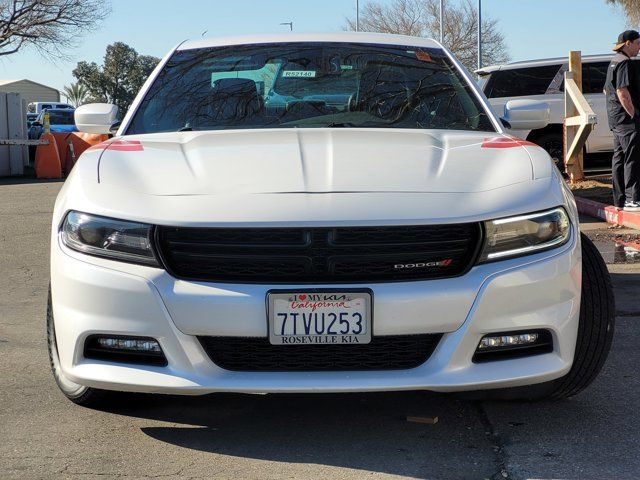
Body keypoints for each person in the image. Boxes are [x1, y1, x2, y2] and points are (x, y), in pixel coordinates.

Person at [604, 30, 640, 211]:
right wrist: (633, 114)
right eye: (638, 43)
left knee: (619, 157)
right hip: (626, 120)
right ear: (628, 43)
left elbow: (606, 90)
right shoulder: (625, 62)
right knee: (632, 158)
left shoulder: (614, 61)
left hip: (615, 118)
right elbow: (621, 91)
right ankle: (632, 199)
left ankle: (619, 200)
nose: (639, 48)